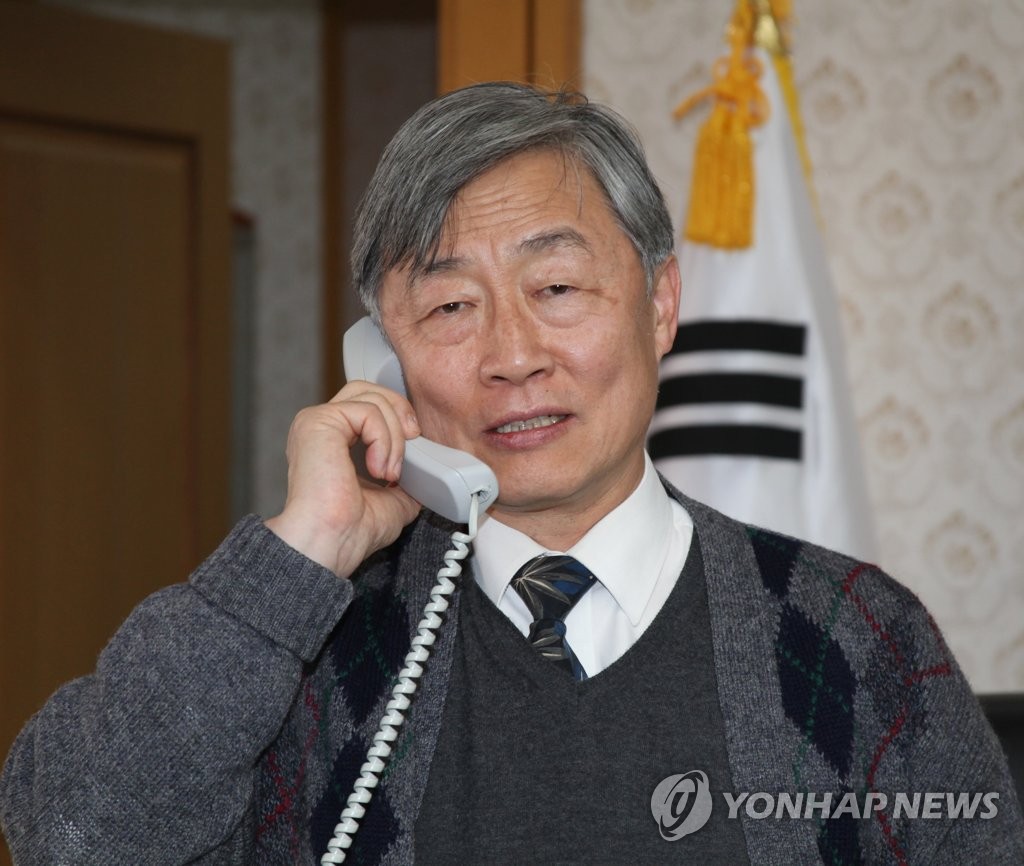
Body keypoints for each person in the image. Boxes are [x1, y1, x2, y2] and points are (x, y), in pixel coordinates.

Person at [1, 82, 1021, 865]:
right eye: (450, 307)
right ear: (383, 357)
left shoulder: (853, 635)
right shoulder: (307, 651)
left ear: (660, 305)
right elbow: (71, 836)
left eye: (557, 286)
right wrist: (298, 553)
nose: (513, 355)